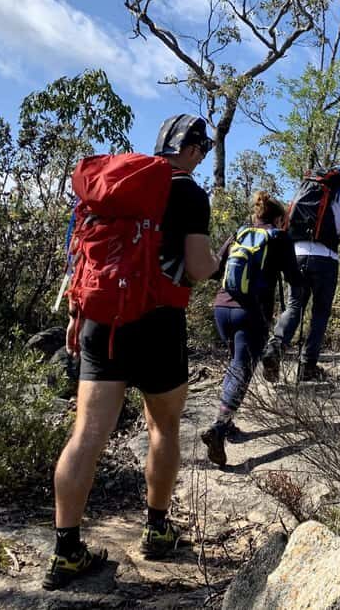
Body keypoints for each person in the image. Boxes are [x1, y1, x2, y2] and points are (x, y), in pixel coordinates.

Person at [45, 115, 218, 590]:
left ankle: (66, 553)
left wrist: (77, 315)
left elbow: (87, 257)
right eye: (201, 150)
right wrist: (218, 259)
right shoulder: (188, 193)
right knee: (162, 425)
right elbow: (199, 268)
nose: (202, 157)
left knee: (86, 434)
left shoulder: (116, 184)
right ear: (192, 149)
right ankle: (158, 530)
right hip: (158, 321)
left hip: (100, 320)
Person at [200, 192, 299, 467]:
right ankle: (219, 427)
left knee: (237, 364)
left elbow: (214, 269)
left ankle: (227, 424)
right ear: (279, 219)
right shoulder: (279, 238)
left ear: (256, 216)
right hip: (251, 312)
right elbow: (295, 279)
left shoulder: (240, 234)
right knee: (241, 368)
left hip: (222, 308)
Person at [261, 165, 340, 382]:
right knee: (320, 314)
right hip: (326, 259)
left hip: (295, 255)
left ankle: (275, 347)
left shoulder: (305, 191)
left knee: (295, 305)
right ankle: (307, 367)